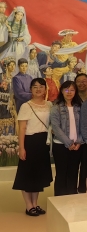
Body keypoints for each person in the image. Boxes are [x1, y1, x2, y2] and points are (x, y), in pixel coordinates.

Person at [12, 78, 53, 216]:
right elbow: (22, 128)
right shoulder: (26, 106)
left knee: (38, 175)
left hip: (43, 142)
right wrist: (21, 148)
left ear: (45, 89)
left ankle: (35, 204)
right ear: (30, 89)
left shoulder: (49, 105)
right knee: (27, 174)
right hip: (30, 142)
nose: (38, 89)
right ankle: (28, 206)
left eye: (41, 86)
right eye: (35, 87)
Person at [50, 81, 83, 196]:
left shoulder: (79, 107)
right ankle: (59, 200)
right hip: (61, 145)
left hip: (77, 146)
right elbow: (55, 127)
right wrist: (69, 143)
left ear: (76, 92)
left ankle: (71, 199)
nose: (69, 92)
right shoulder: (56, 108)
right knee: (61, 174)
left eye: (72, 90)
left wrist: (79, 142)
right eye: (67, 90)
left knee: (73, 173)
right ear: (62, 91)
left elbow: (84, 126)